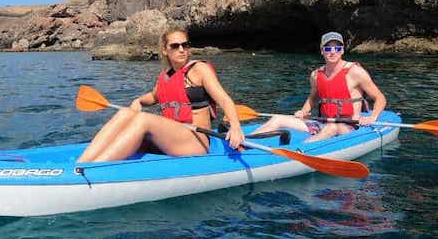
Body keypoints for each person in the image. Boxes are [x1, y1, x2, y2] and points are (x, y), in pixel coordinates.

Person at [78, 27, 245, 162]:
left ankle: (95, 169)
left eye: (185, 45)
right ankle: (83, 164)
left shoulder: (199, 69)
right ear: (165, 50)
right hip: (171, 140)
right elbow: (154, 96)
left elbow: (224, 100)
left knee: (143, 119)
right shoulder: (166, 76)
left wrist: (236, 127)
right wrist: (138, 101)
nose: (181, 49)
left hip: (195, 142)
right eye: (175, 46)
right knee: (124, 112)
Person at [255, 31, 386, 142]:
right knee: (278, 119)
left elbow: (379, 97)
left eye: (337, 48)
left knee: (332, 128)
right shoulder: (316, 75)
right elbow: (313, 98)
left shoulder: (355, 72)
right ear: (322, 51)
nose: (333, 52)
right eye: (328, 48)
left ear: (342, 51)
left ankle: (300, 150)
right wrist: (304, 111)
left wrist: (372, 117)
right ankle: (246, 144)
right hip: (322, 123)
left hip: (349, 127)